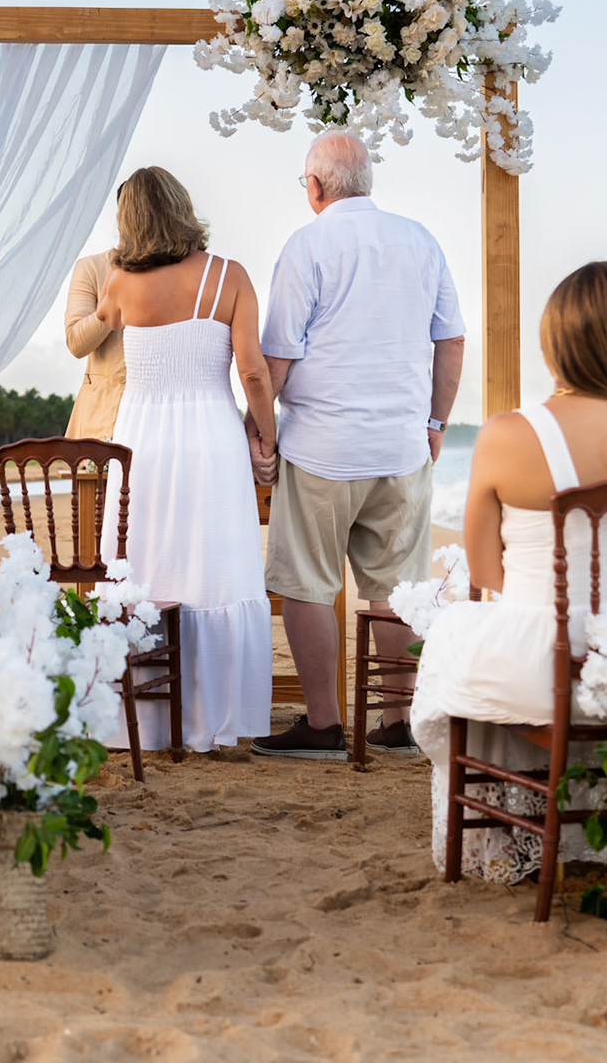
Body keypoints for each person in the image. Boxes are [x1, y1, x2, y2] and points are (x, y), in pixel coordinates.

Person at [406, 262, 607, 882]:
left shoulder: (508, 435)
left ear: (554, 341)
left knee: (464, 631)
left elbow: (486, 570)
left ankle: (509, 834)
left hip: (534, 669)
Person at [251, 132, 466, 760]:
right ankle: (397, 719)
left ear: (315, 187)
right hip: (401, 446)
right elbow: (450, 341)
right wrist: (435, 423)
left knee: (308, 584)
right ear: (366, 182)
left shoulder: (308, 244)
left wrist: (260, 430)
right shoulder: (421, 241)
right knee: (397, 587)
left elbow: (279, 356)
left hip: (321, 445)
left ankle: (323, 724)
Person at [93, 166, 275, 752]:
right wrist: (265, 441)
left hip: (141, 438)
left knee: (150, 566)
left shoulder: (118, 283)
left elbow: (95, 331)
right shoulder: (230, 276)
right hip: (210, 436)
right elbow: (252, 371)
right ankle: (216, 718)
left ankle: (147, 719)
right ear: (182, 206)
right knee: (215, 569)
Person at [63, 248, 125, 441]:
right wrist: (114, 300)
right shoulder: (92, 267)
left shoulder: (187, 271)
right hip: (102, 421)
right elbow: (76, 343)